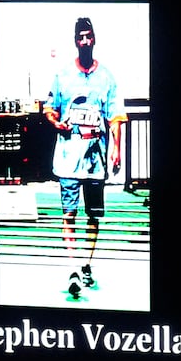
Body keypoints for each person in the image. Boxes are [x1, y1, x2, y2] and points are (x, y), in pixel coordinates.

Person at [42, 15, 125, 300]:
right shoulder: (62, 75)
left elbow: (115, 117)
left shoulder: (107, 77)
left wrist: (115, 149)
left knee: (93, 214)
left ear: (94, 39)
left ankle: (86, 263)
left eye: (89, 36)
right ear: (75, 41)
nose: (85, 41)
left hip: (94, 157)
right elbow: (49, 108)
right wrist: (56, 123)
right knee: (69, 212)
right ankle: (73, 267)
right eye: (81, 37)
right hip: (67, 153)